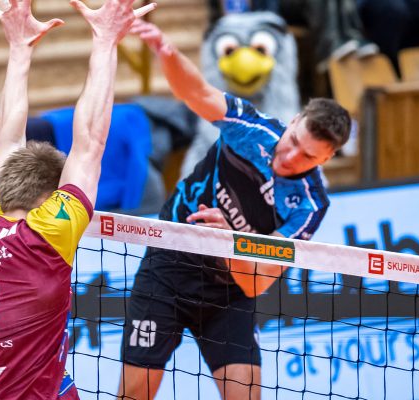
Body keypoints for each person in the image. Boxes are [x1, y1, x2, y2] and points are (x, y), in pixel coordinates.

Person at [118, 19, 351, 400]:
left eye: (308, 156)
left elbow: (256, 283)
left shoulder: (309, 204)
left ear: (327, 158)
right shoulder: (251, 128)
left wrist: (230, 240)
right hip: (168, 268)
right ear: (293, 121)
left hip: (227, 293)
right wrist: (166, 51)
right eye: (293, 140)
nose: (290, 157)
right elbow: (195, 91)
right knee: (134, 393)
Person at [0, 0, 155, 398]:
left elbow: (6, 143)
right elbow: (90, 142)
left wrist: (18, 48)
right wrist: (105, 40)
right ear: (48, 200)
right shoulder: (47, 234)